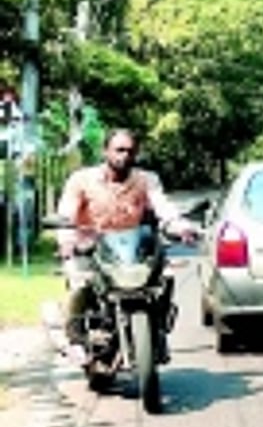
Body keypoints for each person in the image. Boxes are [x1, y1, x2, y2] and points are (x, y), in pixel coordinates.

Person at [55, 128, 199, 364]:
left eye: (130, 151)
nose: (125, 156)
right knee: (79, 283)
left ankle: (158, 328)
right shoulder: (81, 180)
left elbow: (163, 206)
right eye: (119, 150)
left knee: (167, 276)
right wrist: (67, 240)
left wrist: (180, 226)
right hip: (91, 249)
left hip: (132, 251)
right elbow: (66, 213)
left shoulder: (146, 180)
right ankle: (77, 339)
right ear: (106, 152)